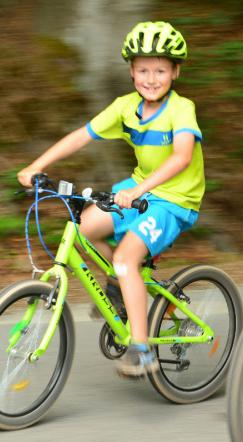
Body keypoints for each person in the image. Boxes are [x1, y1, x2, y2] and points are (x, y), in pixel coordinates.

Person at [18, 21, 205, 378]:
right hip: (139, 189)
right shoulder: (125, 107)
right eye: (143, 70)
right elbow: (81, 136)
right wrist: (36, 166)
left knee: (124, 259)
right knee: (83, 228)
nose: (151, 79)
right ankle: (120, 288)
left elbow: (181, 157)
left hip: (175, 199)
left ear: (175, 72)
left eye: (160, 70)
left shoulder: (182, 109)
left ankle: (142, 350)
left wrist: (138, 190)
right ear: (132, 71)